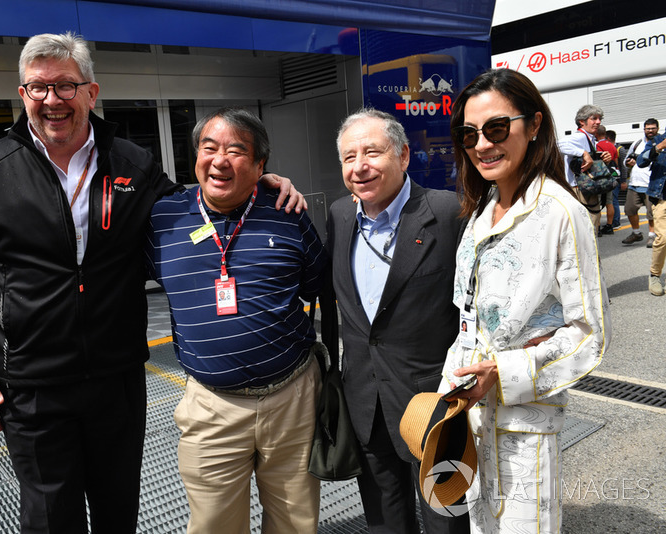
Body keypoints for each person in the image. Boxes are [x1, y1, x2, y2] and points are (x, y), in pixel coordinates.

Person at [0, 33, 302, 534]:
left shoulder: (132, 163)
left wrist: (256, 181)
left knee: (117, 509)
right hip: (32, 382)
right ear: (22, 94)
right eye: (38, 88)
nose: (52, 100)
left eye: (66, 86)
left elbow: (194, 206)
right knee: (49, 517)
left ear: (91, 92)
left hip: (117, 377)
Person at [145, 107, 327, 533]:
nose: (219, 160)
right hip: (211, 406)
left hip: (293, 400)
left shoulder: (287, 212)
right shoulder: (162, 219)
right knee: (213, 525)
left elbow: (319, 283)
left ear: (261, 165)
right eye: (209, 148)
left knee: (295, 522)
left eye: (236, 150)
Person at [443, 69, 610, 533]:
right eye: (468, 133)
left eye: (497, 128)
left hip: (523, 423)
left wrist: (504, 373)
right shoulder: (481, 210)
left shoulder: (560, 212)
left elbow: (589, 333)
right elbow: (469, 319)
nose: (481, 144)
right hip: (468, 415)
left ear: (534, 125)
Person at [324, 108, 468, 534]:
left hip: (433, 397)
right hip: (365, 397)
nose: (360, 166)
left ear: (404, 156)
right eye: (349, 157)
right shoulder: (339, 215)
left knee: (446, 517)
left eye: (372, 152)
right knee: (384, 517)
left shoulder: (448, 212)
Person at [558, 104, 613, 235]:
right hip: (580, 189)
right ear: (582, 122)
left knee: (590, 226)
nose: (598, 122)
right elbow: (558, 144)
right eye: (594, 118)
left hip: (585, 188)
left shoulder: (590, 139)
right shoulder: (580, 137)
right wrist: (583, 152)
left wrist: (603, 158)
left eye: (600, 119)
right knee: (589, 227)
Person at [638, 128, 666, 295]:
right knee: (663, 238)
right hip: (662, 198)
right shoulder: (657, 139)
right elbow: (641, 161)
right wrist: (659, 146)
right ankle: (654, 275)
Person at [622, 119, 659, 247]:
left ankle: (652, 236)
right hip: (634, 183)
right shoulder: (637, 143)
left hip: (651, 184)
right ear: (644, 129)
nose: (650, 131)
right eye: (648, 128)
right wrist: (628, 163)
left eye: (653, 128)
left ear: (658, 129)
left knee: (651, 213)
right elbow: (625, 160)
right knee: (629, 209)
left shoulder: (661, 143)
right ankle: (636, 233)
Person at [595, 125, 618, 235]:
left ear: (596, 134)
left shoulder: (597, 145)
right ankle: (609, 226)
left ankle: (598, 227)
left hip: (599, 177)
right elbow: (616, 163)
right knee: (609, 202)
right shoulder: (613, 146)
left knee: (597, 203)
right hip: (610, 176)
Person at [608, 129, 626, 229]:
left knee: (614, 200)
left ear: (608, 138)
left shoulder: (620, 149)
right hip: (611, 179)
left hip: (617, 179)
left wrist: (623, 181)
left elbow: (624, 166)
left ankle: (616, 222)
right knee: (611, 200)